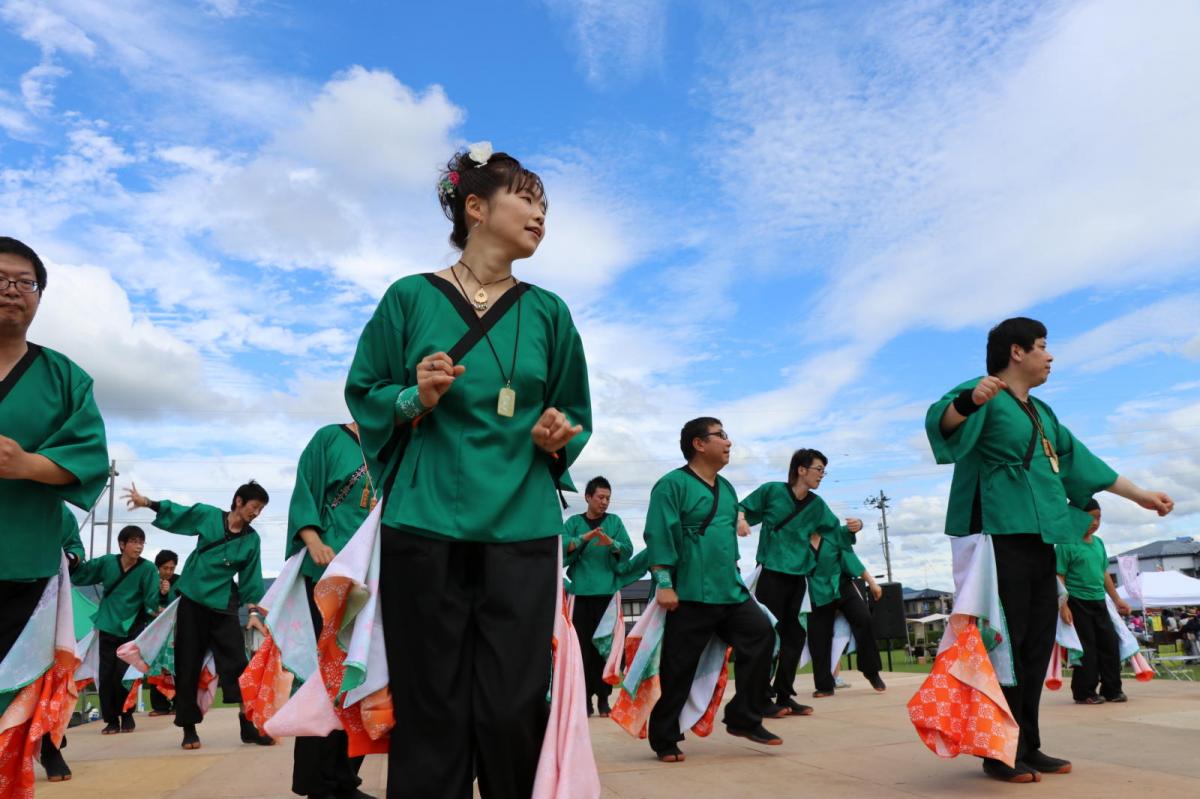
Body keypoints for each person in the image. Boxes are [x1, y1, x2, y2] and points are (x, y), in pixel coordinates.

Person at [345, 144, 591, 798]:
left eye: (545, 204)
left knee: (512, 708)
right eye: (527, 197)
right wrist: (413, 397)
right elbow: (365, 389)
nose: (541, 213)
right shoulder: (409, 298)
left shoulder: (549, 313)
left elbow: (575, 412)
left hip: (523, 525)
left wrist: (557, 435)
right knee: (432, 710)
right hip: (423, 523)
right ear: (476, 207)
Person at [928, 316, 1174, 783]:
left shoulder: (1041, 412)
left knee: (1037, 644)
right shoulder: (987, 390)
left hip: (1041, 535)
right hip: (995, 535)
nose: (1050, 355)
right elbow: (943, 421)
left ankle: (1027, 744)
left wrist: (1140, 494)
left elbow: (1082, 462)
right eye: (1042, 346)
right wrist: (968, 400)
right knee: (1006, 642)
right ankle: (999, 752)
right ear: (1016, 352)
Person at [0, 237, 110, 784]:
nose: (11, 291)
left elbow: (89, 458)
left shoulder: (65, 377)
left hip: (26, 565)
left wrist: (26, 464)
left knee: (12, 702)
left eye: (24, 282)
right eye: (0, 279)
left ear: (39, 296)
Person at [644, 417, 779, 763]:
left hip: (730, 591)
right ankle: (664, 737)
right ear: (698, 444)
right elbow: (659, 534)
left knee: (762, 634)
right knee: (679, 668)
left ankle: (743, 717)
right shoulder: (670, 485)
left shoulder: (728, 488)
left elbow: (729, 533)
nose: (728, 442)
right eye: (721, 436)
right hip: (689, 592)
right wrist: (663, 584)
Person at [123, 481, 274, 750]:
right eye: (254, 506)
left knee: (238, 665)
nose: (256, 513)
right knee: (187, 665)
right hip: (192, 601)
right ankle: (189, 729)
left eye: (261, 509)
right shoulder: (208, 516)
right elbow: (181, 513)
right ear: (239, 501)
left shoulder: (252, 540)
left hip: (223, 604)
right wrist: (148, 502)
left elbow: (251, 577)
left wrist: (252, 612)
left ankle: (247, 725)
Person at [285, 421, 379, 799]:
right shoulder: (330, 438)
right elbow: (305, 489)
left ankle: (344, 777)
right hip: (328, 573)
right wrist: (313, 540)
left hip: (369, 579)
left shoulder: (390, 447)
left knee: (361, 678)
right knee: (326, 679)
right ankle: (318, 783)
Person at [739, 447, 861, 714]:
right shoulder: (771, 491)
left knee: (794, 635)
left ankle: (784, 696)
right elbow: (742, 509)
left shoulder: (817, 506)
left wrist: (854, 528)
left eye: (823, 471)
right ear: (801, 470)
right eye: (818, 470)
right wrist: (740, 519)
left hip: (798, 579)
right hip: (771, 573)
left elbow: (835, 534)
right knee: (767, 636)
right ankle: (758, 699)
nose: (821, 475)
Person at [71, 524, 160, 733]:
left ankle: (127, 714)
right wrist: (70, 561)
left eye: (141, 542)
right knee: (107, 674)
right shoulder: (107, 562)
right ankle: (111, 720)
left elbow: (151, 601)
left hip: (133, 628)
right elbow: (82, 574)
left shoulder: (147, 569)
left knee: (124, 674)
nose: (139, 547)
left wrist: (157, 611)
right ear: (122, 544)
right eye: (134, 542)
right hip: (108, 625)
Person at [563, 475, 632, 717]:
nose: (605, 502)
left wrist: (610, 542)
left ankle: (604, 699)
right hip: (580, 594)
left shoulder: (614, 521)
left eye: (608, 498)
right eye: (601, 497)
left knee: (606, 648)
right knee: (581, 649)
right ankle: (584, 700)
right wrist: (585, 538)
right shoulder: (573, 522)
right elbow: (560, 549)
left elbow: (627, 550)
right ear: (588, 497)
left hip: (608, 596)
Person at [1057, 500, 1131, 705]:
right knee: (1087, 648)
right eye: (1090, 517)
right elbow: (1059, 576)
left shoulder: (1098, 543)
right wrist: (1063, 605)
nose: (1095, 522)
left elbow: (1104, 572)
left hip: (1100, 601)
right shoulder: (1066, 543)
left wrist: (1117, 599)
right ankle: (1084, 691)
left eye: (1098, 517)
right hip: (1077, 603)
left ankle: (1112, 689)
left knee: (1110, 644)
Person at [148, 549, 180, 716]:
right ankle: (160, 706)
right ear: (157, 567)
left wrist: (167, 596)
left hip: (176, 632)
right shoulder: (150, 581)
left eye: (171, 568)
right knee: (156, 668)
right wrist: (161, 595)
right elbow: (147, 604)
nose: (168, 571)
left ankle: (178, 703)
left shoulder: (180, 582)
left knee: (177, 668)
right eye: (165, 568)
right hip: (156, 633)